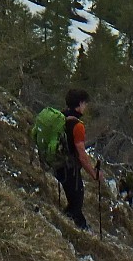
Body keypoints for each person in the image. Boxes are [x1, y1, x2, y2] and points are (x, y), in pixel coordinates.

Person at [55, 88, 101, 230]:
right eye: (85, 104)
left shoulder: (60, 116)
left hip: (58, 164)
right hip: (70, 169)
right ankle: (77, 229)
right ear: (80, 104)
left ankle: (74, 225)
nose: (86, 107)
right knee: (76, 201)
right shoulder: (78, 126)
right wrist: (94, 174)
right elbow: (81, 155)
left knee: (73, 201)